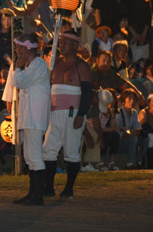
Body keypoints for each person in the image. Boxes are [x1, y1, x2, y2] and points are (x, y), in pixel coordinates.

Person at [42, 30, 93, 198]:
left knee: (71, 151)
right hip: (54, 112)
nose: (62, 46)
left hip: (73, 113)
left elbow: (87, 93)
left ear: (75, 46)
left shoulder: (82, 66)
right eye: (61, 42)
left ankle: (69, 188)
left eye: (65, 43)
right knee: (48, 149)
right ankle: (48, 186)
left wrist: (80, 115)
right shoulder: (56, 63)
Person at [5, 33, 50, 206]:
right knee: (29, 156)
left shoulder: (38, 64)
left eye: (19, 47)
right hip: (29, 116)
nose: (17, 50)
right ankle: (32, 194)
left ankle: (38, 196)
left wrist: (16, 68)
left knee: (35, 156)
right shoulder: (30, 65)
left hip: (36, 116)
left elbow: (19, 82)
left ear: (27, 48)